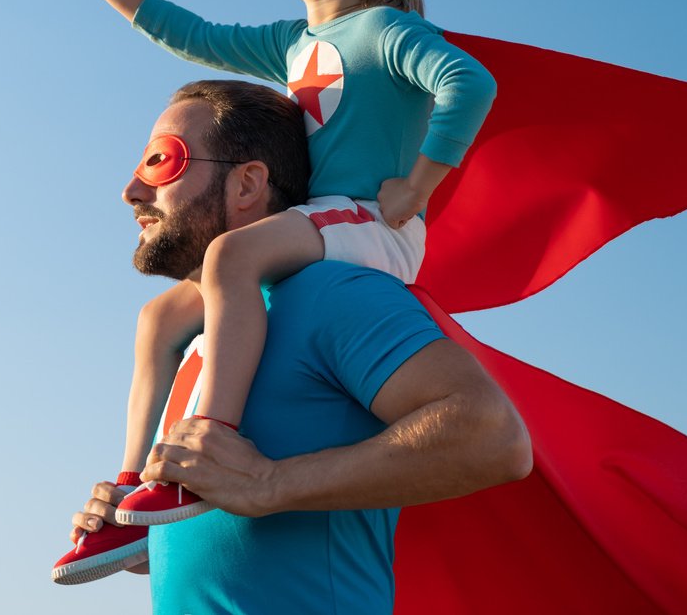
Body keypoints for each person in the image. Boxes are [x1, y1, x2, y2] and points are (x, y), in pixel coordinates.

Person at [72, 0, 498, 530]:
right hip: (314, 224)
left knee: (231, 258)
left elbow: (467, 84)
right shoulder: (292, 44)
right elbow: (197, 36)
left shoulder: (386, 31)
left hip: (367, 221)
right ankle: (133, 485)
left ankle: (211, 440)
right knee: (159, 318)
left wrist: (418, 185)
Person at [52, 80, 531, 610]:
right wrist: (152, 530)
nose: (133, 191)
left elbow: (494, 436)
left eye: (161, 162)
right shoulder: (196, 342)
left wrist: (270, 482)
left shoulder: (330, 293)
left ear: (247, 184)